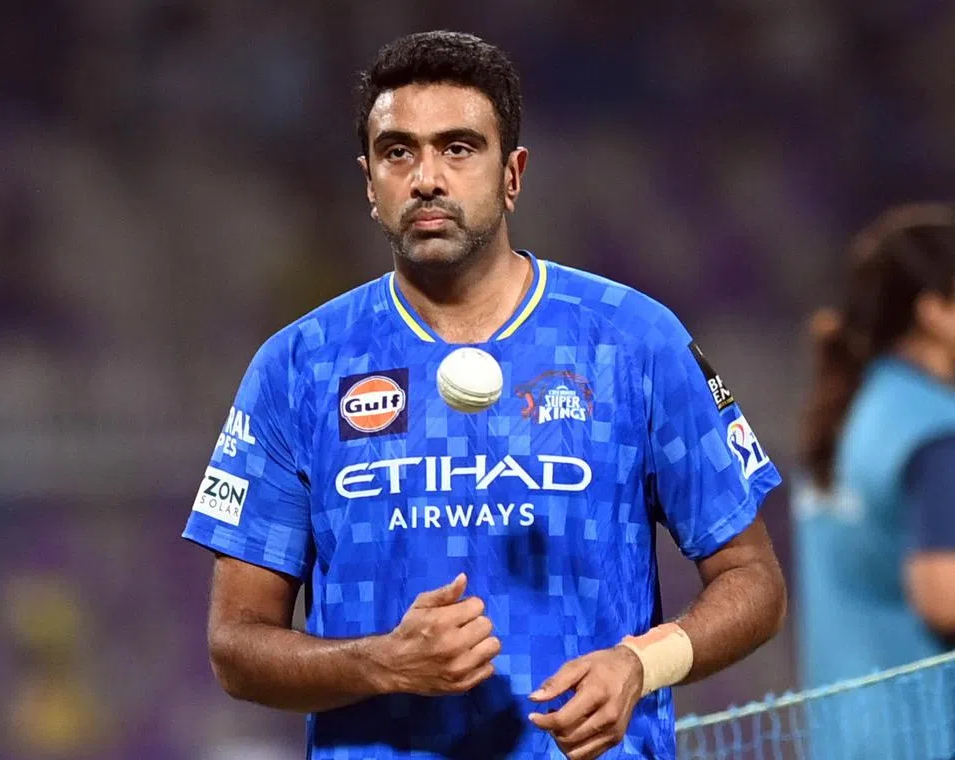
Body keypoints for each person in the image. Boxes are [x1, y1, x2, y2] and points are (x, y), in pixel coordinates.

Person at [182, 30, 786, 760]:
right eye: (398, 152)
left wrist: (640, 664)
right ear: (369, 182)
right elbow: (235, 646)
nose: (427, 177)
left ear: (512, 175)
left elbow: (753, 581)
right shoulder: (297, 367)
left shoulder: (634, 341)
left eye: (459, 148)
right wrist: (382, 661)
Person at [794, 204, 955, 757]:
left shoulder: (847, 416)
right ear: (935, 311)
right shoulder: (934, 429)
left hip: (845, 740)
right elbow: (943, 595)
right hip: (928, 737)